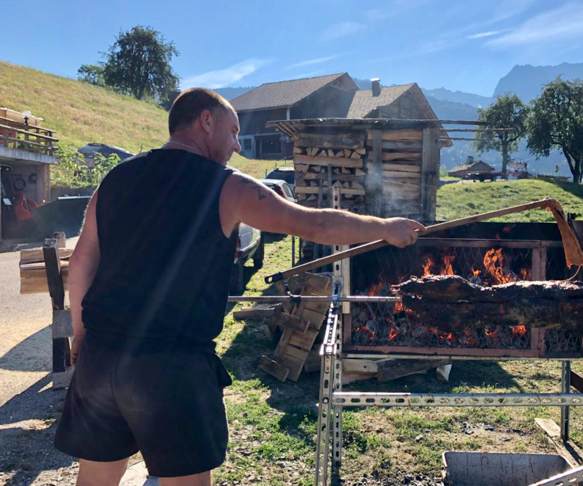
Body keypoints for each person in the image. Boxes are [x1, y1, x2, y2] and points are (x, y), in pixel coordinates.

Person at [54, 88, 425, 486]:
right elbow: (312, 223)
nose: (235, 144)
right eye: (232, 132)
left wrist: (80, 332)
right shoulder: (225, 186)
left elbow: (81, 263)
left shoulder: (114, 179)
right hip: (170, 367)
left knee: (96, 477)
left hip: (101, 357)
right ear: (205, 121)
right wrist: (385, 228)